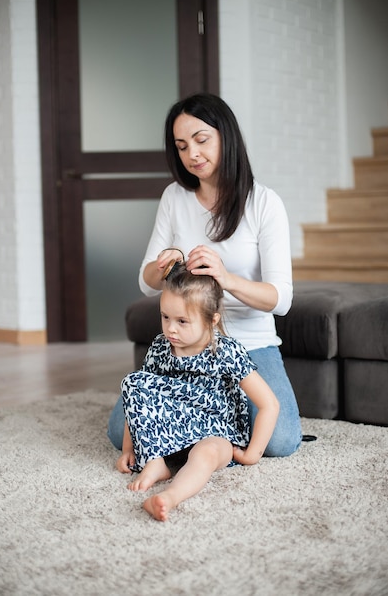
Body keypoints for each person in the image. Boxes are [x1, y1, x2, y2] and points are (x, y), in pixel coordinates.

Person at [108, 92, 302, 457]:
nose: (192, 154)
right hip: (188, 342)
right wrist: (163, 265)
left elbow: (281, 299)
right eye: (181, 146)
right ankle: (212, 436)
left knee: (280, 441)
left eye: (201, 140)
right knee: (121, 431)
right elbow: (146, 283)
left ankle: (191, 434)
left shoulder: (264, 203)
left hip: (249, 344)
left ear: (225, 136)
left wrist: (226, 279)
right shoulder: (174, 198)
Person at [116, 264, 280, 521]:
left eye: (182, 321)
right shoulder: (161, 346)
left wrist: (252, 454)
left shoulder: (226, 351)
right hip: (173, 427)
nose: (171, 329)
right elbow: (140, 397)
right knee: (134, 382)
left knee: (206, 454)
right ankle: (155, 462)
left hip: (217, 430)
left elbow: (269, 404)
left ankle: (169, 497)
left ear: (211, 320)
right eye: (165, 317)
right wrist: (130, 447)